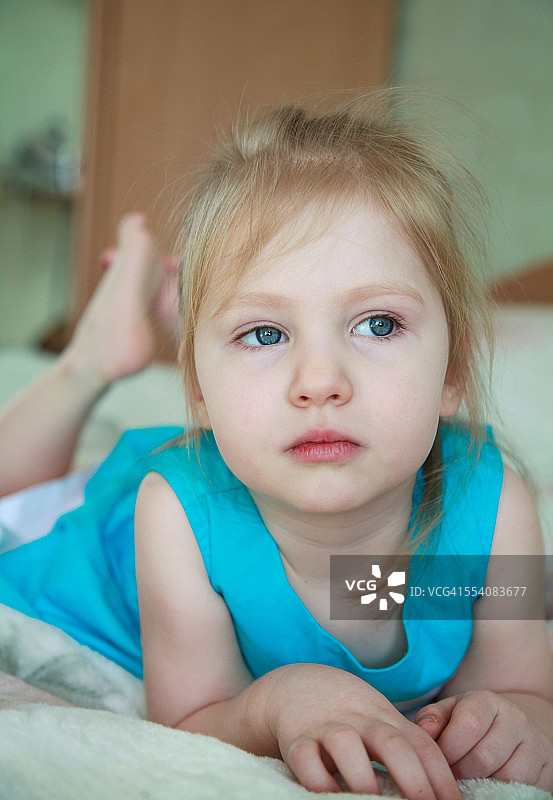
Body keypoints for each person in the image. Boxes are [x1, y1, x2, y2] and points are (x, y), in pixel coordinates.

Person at [0, 94, 551, 799]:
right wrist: (282, 696)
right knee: (16, 505)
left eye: (377, 325)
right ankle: (92, 359)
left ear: (452, 372)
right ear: (197, 390)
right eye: (264, 333)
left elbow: (523, 691)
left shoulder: (493, 504)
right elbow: (191, 716)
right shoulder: (174, 508)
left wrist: (510, 718)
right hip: (108, 547)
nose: (319, 383)